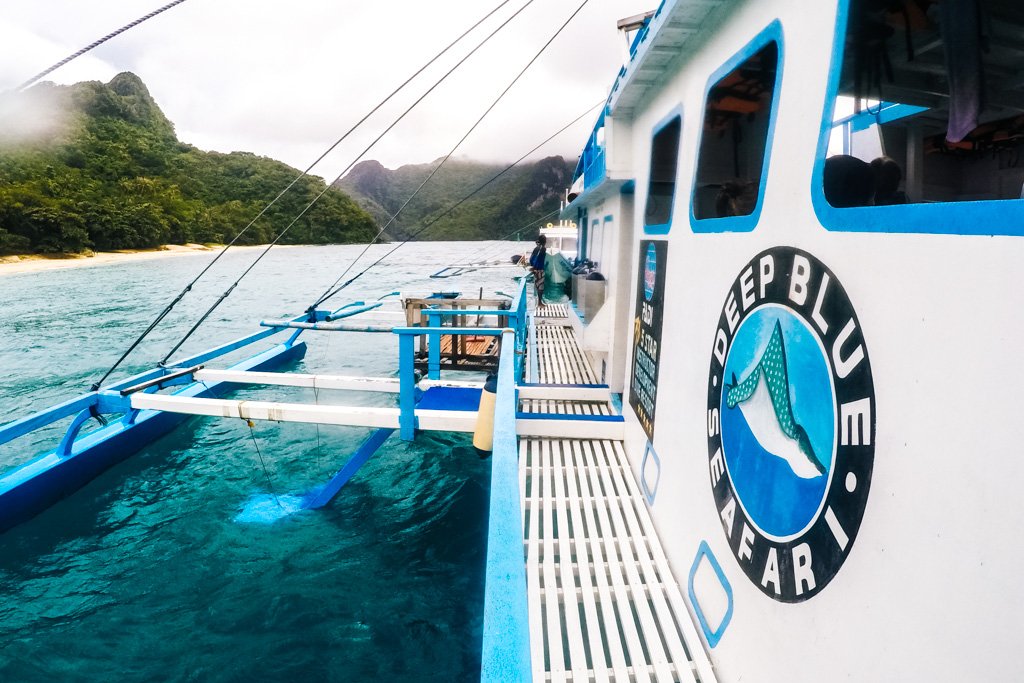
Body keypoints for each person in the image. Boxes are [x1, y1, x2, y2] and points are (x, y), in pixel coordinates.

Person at [528, 235, 547, 306]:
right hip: (539, 270)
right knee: (540, 287)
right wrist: (535, 268)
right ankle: (539, 303)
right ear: (544, 241)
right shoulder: (543, 248)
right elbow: (538, 258)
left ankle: (539, 302)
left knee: (537, 285)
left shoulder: (536, 248)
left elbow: (531, 258)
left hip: (536, 269)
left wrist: (533, 266)